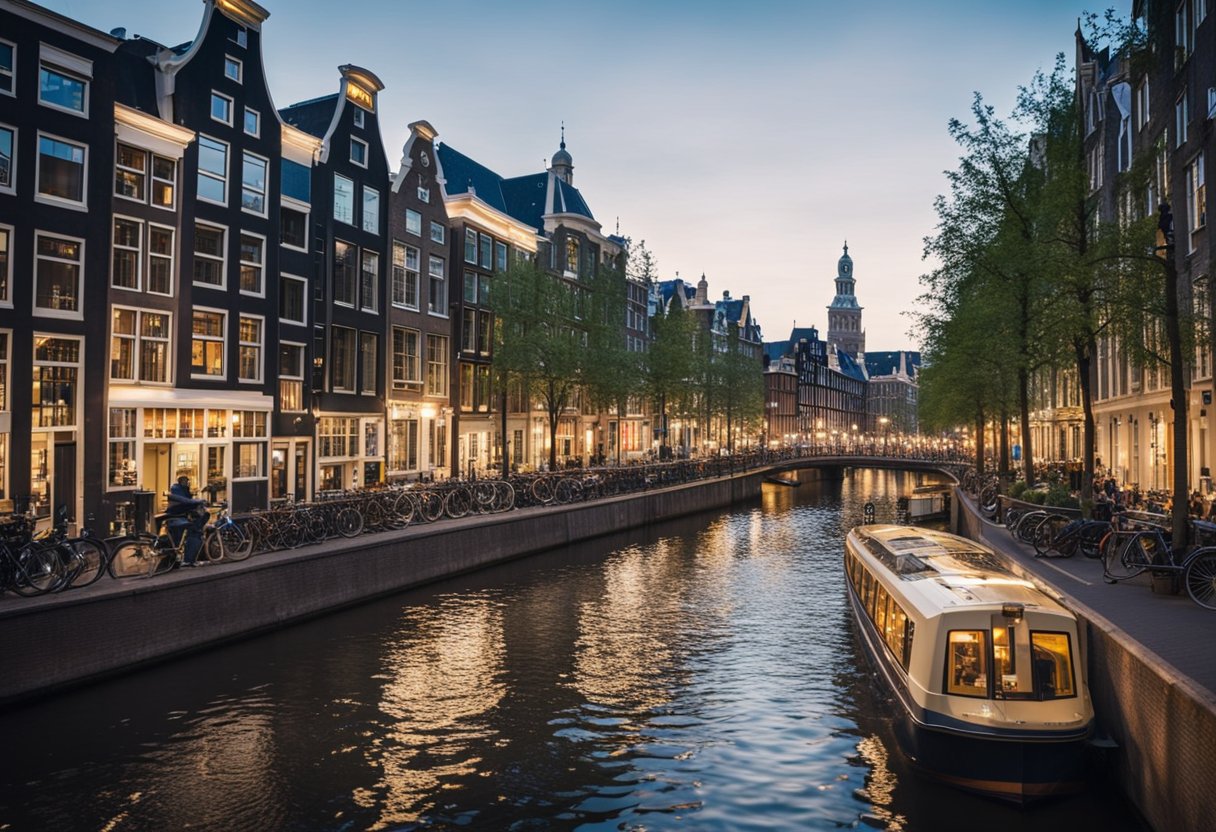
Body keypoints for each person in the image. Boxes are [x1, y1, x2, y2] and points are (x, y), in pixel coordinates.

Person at [166, 475, 207, 567]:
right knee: (190, 533)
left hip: (179, 516)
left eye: (187, 481)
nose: (186, 482)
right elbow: (185, 501)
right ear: (181, 481)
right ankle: (186, 559)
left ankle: (178, 559)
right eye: (185, 481)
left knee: (181, 538)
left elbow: (187, 501)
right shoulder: (177, 489)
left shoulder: (184, 490)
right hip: (176, 517)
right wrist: (197, 502)